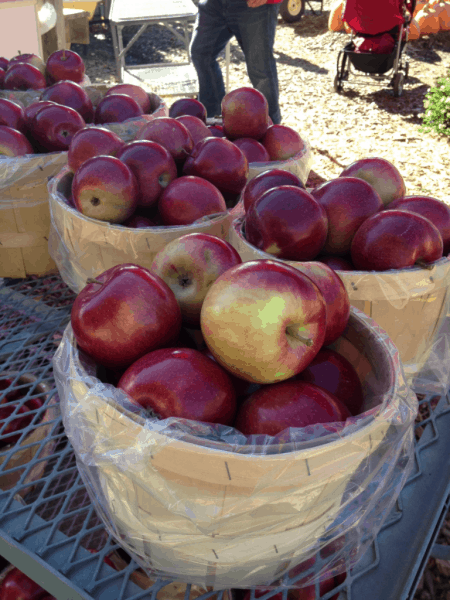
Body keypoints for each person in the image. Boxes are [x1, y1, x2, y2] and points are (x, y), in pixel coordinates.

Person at [189, 0, 283, 125]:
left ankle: (270, 128)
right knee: (201, 54)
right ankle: (214, 121)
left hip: (254, 7)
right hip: (213, 4)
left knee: (260, 66)